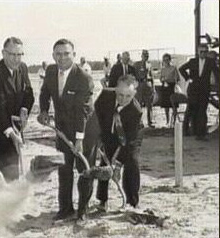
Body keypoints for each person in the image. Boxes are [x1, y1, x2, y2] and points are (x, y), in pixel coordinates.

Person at [38, 39, 94, 221]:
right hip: (62, 129)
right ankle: (65, 208)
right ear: (53, 55)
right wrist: (44, 110)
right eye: (58, 54)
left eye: (66, 53)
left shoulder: (83, 78)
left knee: (84, 169)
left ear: (74, 55)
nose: (62, 58)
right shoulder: (51, 71)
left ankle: (83, 209)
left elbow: (82, 111)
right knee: (64, 168)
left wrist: (79, 140)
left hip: (85, 130)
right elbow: (45, 92)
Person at [0, 37, 34, 182]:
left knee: (13, 174)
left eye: (20, 55)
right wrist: (11, 132)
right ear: (3, 53)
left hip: (16, 129)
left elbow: (29, 93)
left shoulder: (23, 68)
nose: (16, 59)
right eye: (13, 54)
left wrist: (25, 108)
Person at [95, 75, 143, 212]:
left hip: (131, 136)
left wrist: (118, 166)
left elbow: (127, 143)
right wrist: (98, 137)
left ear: (134, 94)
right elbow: (96, 115)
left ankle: (132, 202)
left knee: (132, 162)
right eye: (120, 95)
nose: (123, 99)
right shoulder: (105, 96)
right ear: (115, 89)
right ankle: (102, 200)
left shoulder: (136, 111)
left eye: (128, 96)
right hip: (109, 132)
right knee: (105, 162)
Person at [179, 44, 219, 140]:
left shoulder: (210, 62)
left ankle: (200, 134)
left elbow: (217, 74)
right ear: (198, 52)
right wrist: (188, 78)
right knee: (190, 110)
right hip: (193, 90)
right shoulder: (193, 61)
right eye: (201, 51)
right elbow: (181, 69)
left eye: (205, 51)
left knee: (202, 111)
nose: (203, 53)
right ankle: (185, 130)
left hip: (204, 90)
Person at [134, 49, 155, 128]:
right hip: (139, 84)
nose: (145, 57)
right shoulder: (137, 64)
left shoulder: (149, 64)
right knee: (138, 104)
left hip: (147, 85)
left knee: (149, 104)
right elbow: (133, 75)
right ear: (141, 56)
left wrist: (153, 87)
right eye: (144, 55)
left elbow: (151, 76)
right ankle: (139, 122)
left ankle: (150, 121)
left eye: (147, 56)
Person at [160, 53, 180, 126]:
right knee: (166, 106)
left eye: (167, 60)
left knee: (174, 105)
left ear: (170, 60)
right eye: (164, 60)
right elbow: (161, 78)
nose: (166, 61)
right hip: (165, 87)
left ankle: (174, 121)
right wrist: (163, 80)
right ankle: (167, 121)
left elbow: (177, 78)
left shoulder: (174, 68)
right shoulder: (162, 69)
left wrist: (172, 80)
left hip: (172, 87)